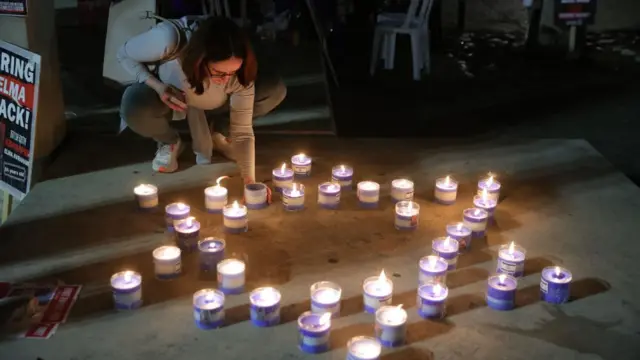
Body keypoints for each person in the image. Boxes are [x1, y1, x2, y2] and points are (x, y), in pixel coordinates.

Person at [117, 16, 287, 189]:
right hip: (173, 100)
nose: (226, 80)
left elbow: (243, 132)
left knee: (273, 86)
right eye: (218, 72)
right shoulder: (169, 39)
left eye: (233, 72)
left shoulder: (239, 71)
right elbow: (123, 54)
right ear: (199, 59)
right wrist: (158, 86)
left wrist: (249, 180)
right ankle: (169, 141)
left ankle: (220, 133)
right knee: (134, 104)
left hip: (217, 103)